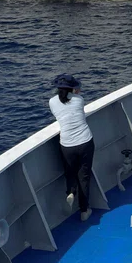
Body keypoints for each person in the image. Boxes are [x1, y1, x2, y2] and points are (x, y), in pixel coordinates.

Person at [49, 74, 95, 222]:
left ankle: (70, 192)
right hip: (85, 142)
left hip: (67, 145)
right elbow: (74, 98)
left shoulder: (52, 102)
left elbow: (62, 103)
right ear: (72, 88)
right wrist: (74, 92)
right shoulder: (79, 100)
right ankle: (84, 210)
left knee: (70, 173)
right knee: (84, 176)